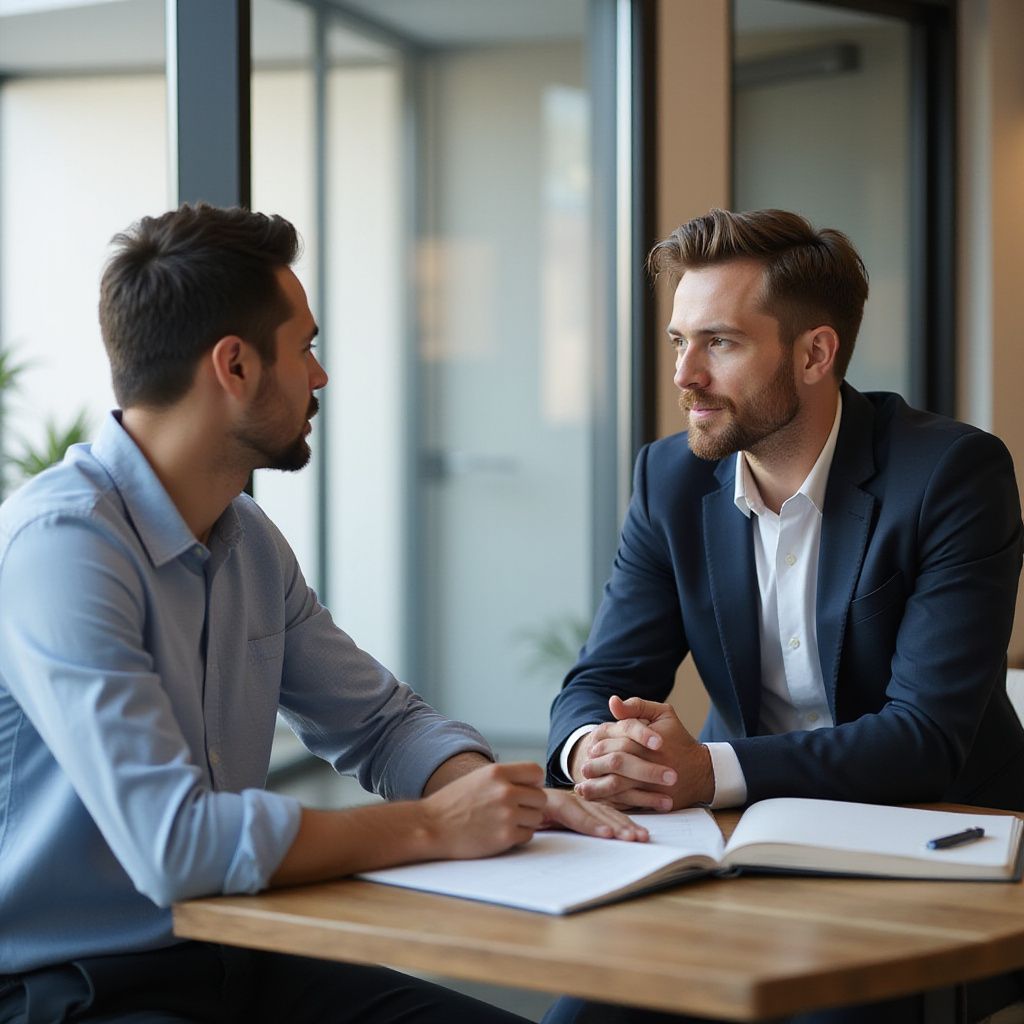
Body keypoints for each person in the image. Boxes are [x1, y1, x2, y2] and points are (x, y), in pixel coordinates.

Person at [0, 203, 645, 1024]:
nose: (320, 375)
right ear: (233, 366)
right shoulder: (62, 547)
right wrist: (431, 826)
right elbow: (176, 845)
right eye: (304, 346)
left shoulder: (246, 538)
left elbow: (379, 724)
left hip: (241, 955)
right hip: (79, 990)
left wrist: (490, 791)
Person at [544, 208, 1024, 1024]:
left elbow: (926, 738)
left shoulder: (951, 475)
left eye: (719, 343)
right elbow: (602, 679)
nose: (685, 375)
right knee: (591, 1014)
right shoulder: (670, 480)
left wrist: (708, 770)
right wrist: (600, 746)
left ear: (815, 353)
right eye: (677, 341)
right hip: (735, 848)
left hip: (928, 843)